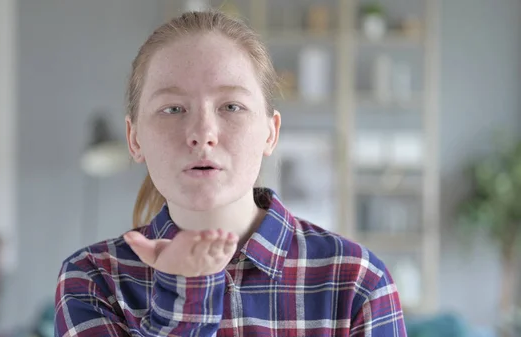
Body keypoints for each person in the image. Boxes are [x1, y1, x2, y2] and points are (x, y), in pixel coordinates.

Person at [55, 10, 407, 337]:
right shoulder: (92, 279)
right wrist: (187, 290)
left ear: (271, 133)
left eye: (231, 106)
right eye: (173, 108)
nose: (202, 132)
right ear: (135, 139)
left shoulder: (358, 280)